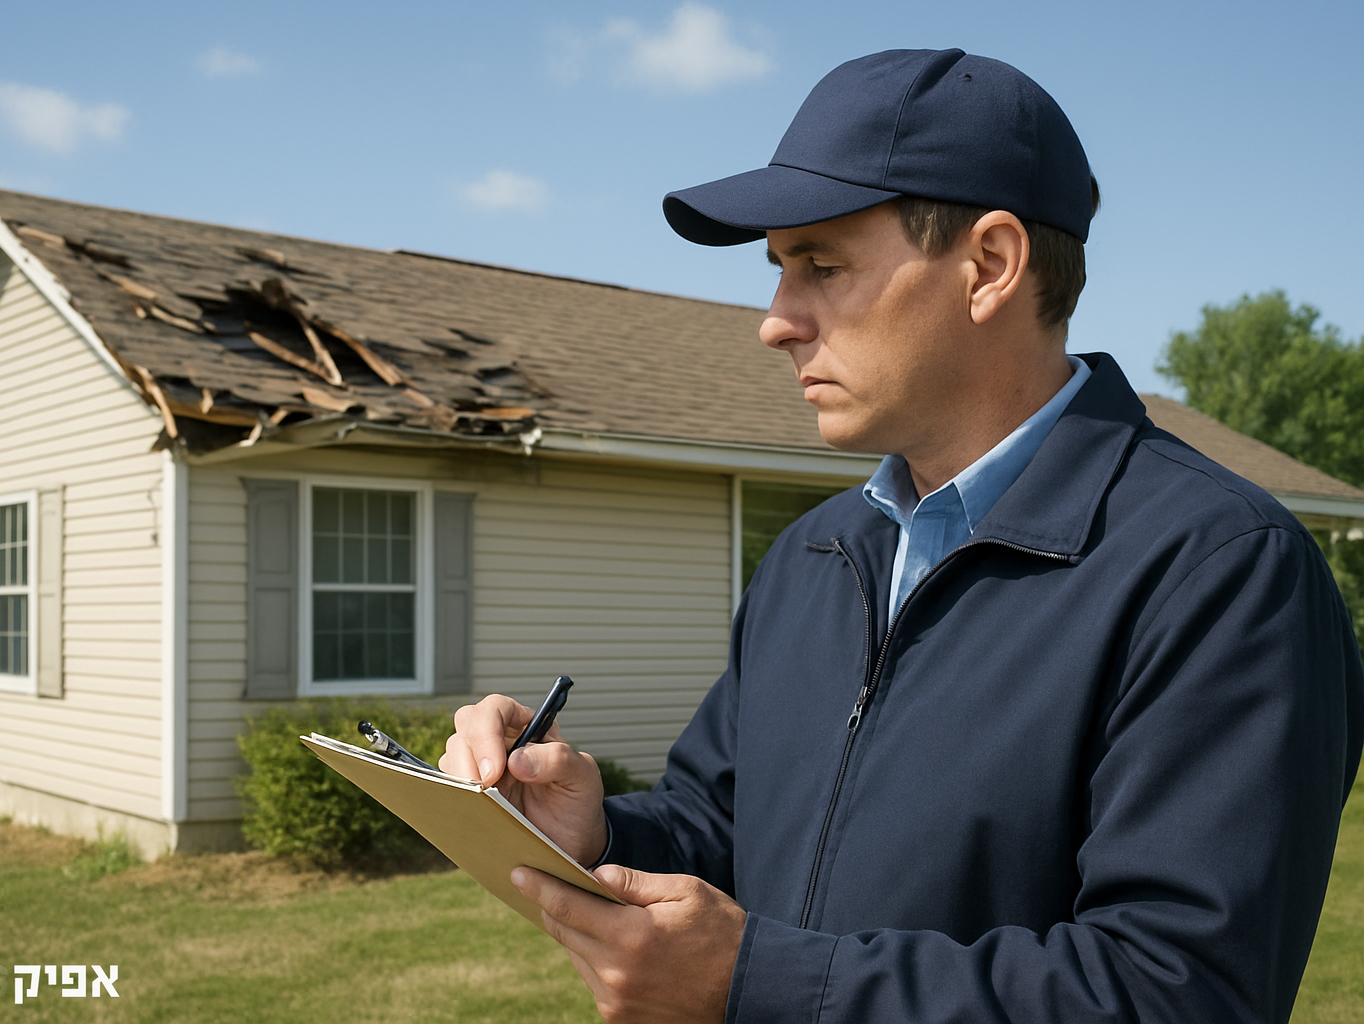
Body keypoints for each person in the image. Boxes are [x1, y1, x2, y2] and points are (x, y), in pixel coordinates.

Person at [442, 48, 1364, 1024]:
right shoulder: (815, 556)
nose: (775, 322)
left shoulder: (1217, 573)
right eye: (779, 270)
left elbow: (1175, 992)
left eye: (821, 265)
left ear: (991, 266)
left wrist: (756, 983)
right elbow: (722, 825)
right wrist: (591, 827)